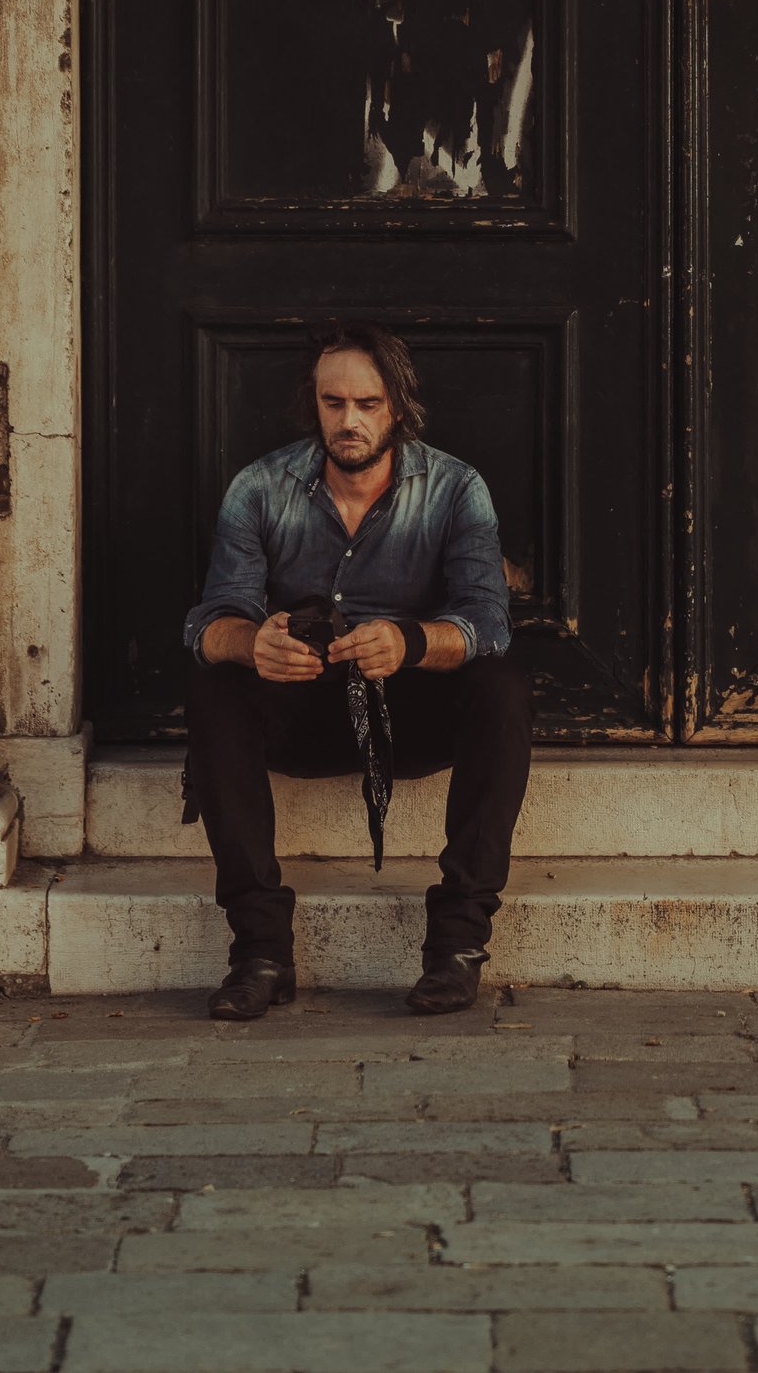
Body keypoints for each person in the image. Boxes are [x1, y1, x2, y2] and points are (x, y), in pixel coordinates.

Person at [181, 328, 530, 1021]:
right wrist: (255, 643)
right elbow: (208, 621)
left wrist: (408, 640)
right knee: (216, 684)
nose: (349, 420)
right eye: (333, 401)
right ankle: (261, 952)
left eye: (367, 403)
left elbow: (487, 622)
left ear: (397, 407)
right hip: (302, 706)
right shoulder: (259, 487)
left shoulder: (455, 487)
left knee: (502, 687)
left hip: (409, 714)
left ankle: (457, 947)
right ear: (313, 403)